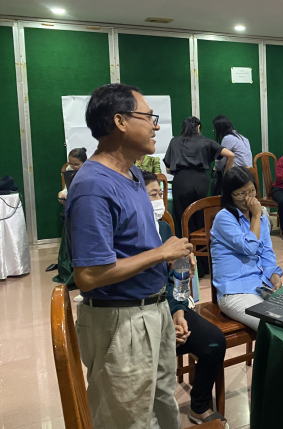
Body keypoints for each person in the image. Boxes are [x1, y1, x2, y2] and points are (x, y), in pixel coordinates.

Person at [66, 83, 194, 428]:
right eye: (149, 117)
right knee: (128, 420)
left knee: (162, 408)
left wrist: (168, 260)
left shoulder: (134, 173)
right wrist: (160, 253)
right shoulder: (94, 186)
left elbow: (136, 246)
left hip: (153, 309)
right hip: (120, 321)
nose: (156, 126)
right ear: (120, 121)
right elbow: (88, 276)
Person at [143, 171, 227, 425]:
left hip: (169, 306)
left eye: (160, 194)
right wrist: (167, 326)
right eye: (152, 195)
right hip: (145, 315)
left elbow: (177, 278)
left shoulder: (164, 228)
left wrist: (178, 311)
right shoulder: (131, 236)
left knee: (214, 341)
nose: (158, 200)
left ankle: (199, 405)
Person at [211, 167, 283, 330]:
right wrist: (256, 215)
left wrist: (274, 275)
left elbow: (267, 253)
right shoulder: (224, 218)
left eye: (252, 191)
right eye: (241, 193)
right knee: (273, 326)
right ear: (229, 194)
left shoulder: (261, 219)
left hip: (259, 286)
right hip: (234, 292)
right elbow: (249, 248)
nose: (249, 198)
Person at [164, 117, 234, 241]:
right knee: (201, 213)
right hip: (201, 180)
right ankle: (202, 247)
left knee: (182, 216)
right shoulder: (205, 141)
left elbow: (168, 169)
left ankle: (186, 246)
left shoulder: (174, 142)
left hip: (180, 180)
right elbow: (230, 155)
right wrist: (226, 174)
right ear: (198, 127)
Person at [50, 147, 87, 272]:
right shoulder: (69, 171)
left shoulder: (91, 171)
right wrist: (62, 194)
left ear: (84, 162)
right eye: (71, 164)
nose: (73, 167)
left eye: (76, 164)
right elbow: (67, 188)